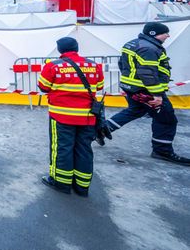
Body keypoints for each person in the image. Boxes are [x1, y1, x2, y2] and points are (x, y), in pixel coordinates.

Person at [107, 22, 190, 165]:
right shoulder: (149, 48)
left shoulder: (133, 44)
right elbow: (147, 73)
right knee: (166, 119)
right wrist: (157, 95)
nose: (168, 35)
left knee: (135, 110)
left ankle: (100, 130)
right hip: (147, 90)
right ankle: (162, 151)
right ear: (154, 33)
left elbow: (123, 65)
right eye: (165, 33)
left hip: (133, 87)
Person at [38, 37, 105, 196]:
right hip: (88, 116)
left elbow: (43, 87)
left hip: (61, 115)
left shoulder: (53, 66)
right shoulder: (94, 65)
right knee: (84, 148)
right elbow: (100, 86)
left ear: (60, 49)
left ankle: (60, 182)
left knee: (62, 148)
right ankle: (82, 186)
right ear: (77, 47)